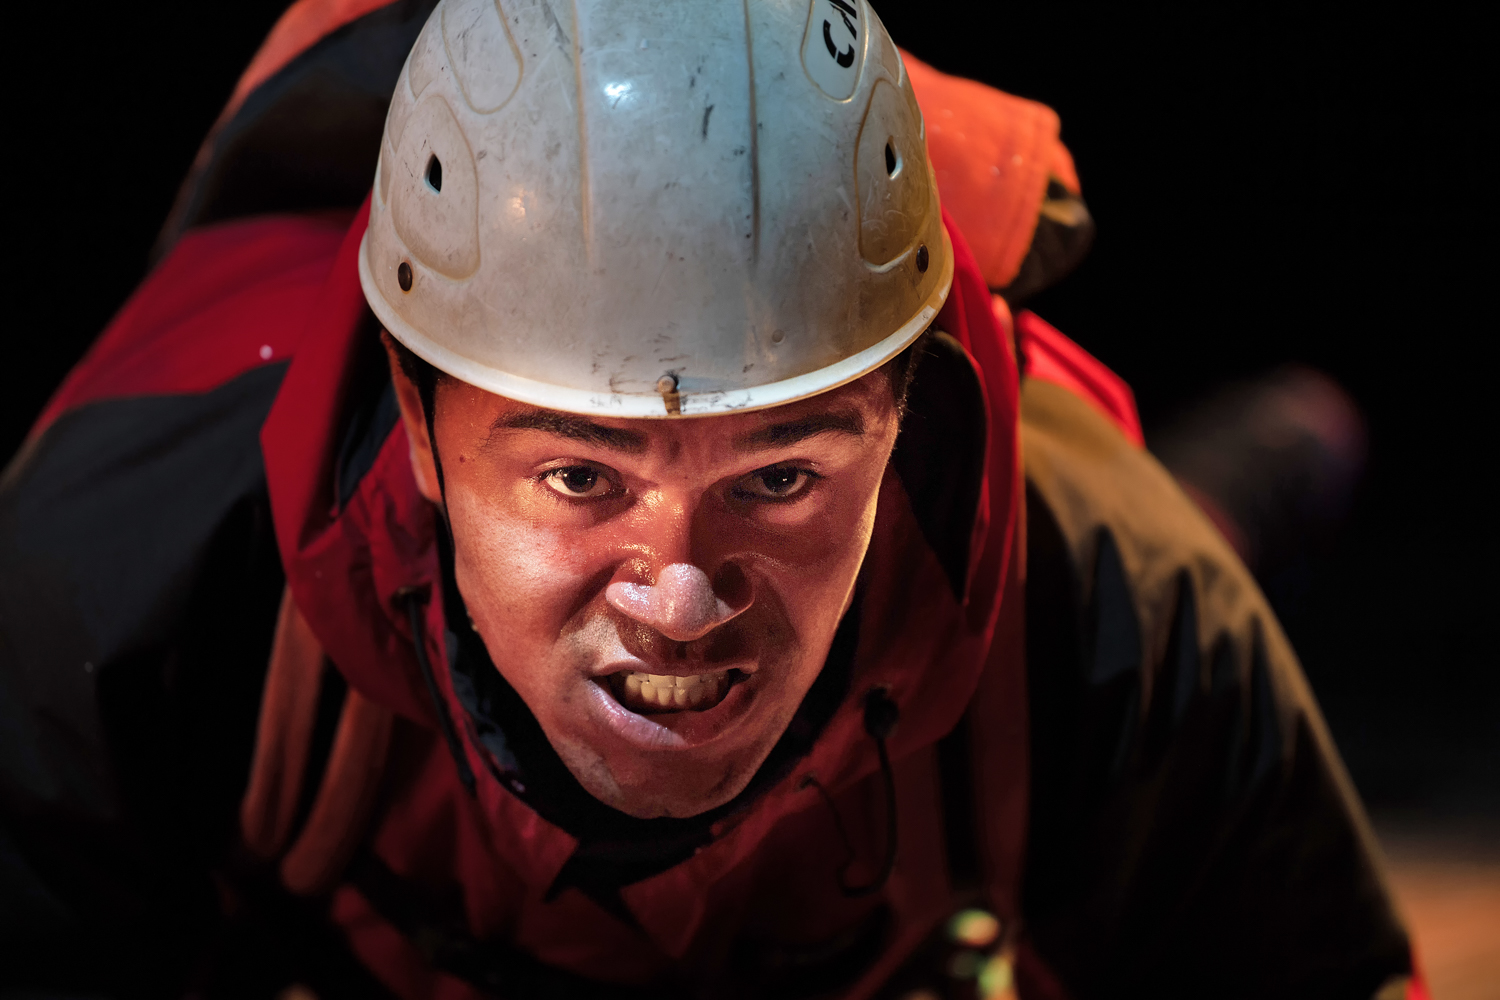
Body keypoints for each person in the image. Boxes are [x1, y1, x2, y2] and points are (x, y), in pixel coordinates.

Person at [0, 1, 1416, 997]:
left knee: (1141, 592)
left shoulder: (1119, 602)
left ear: (906, 418)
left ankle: (1241, 481)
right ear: (421, 436)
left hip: (1067, 632)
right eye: (579, 476)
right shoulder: (125, 580)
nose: (680, 597)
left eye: (780, 476)